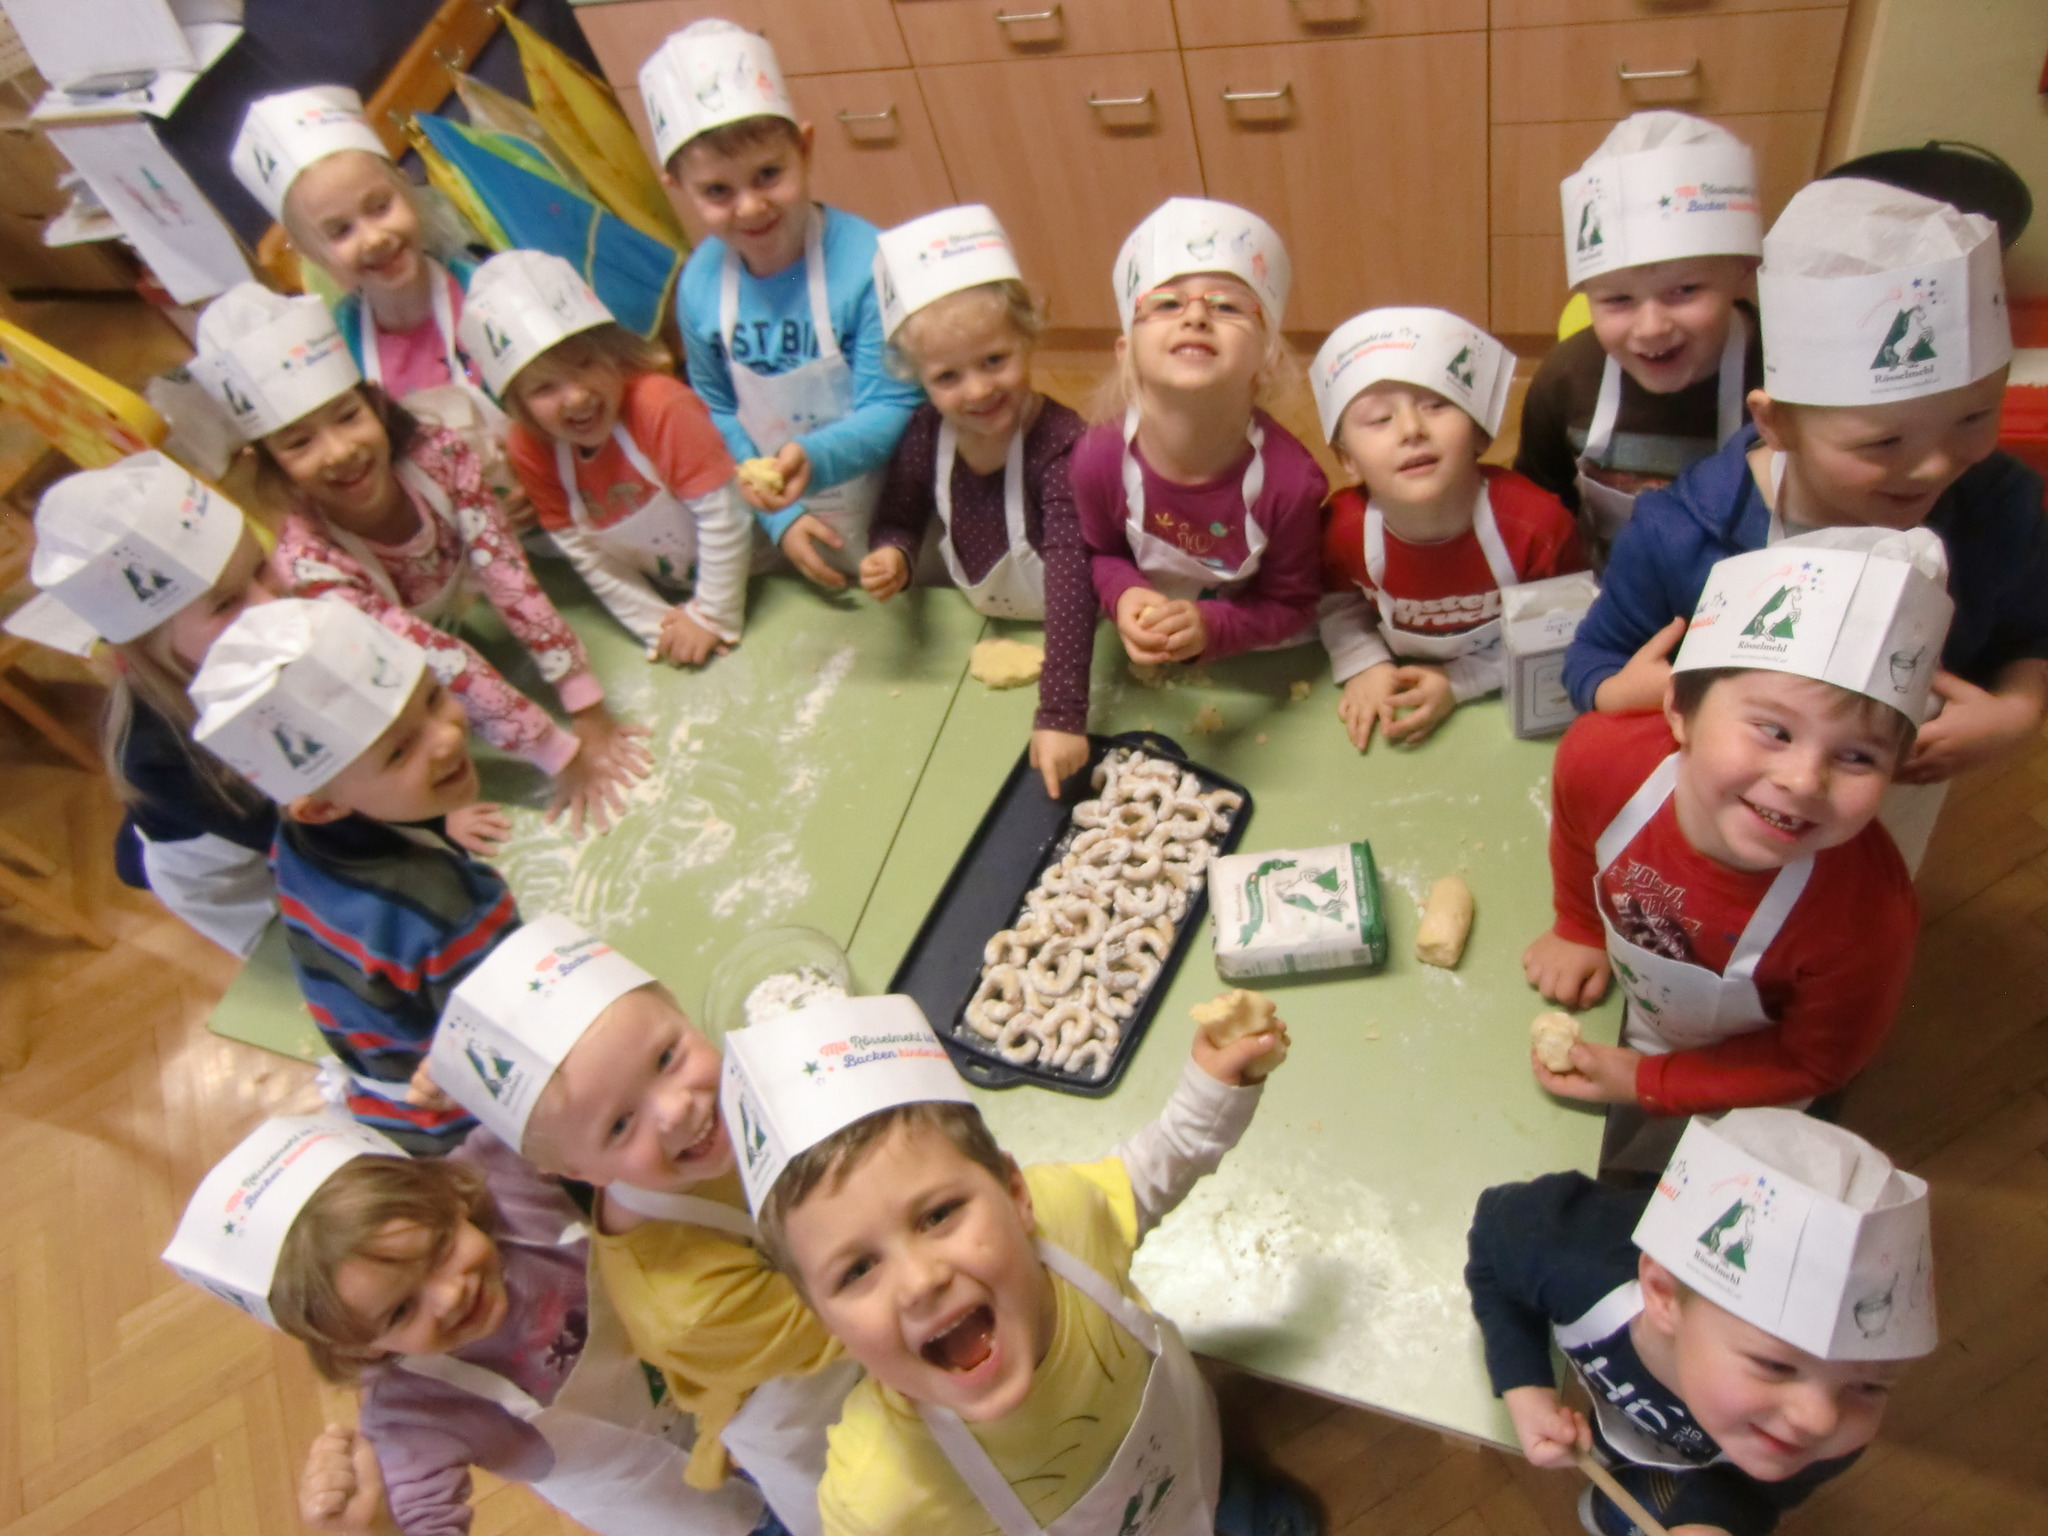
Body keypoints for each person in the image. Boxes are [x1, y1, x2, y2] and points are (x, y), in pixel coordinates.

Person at [1563, 177, 2048, 869]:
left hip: (1888, 810)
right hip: (1720, 817)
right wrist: (1627, 692)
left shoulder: (1999, 507)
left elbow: (2032, 631)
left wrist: (2018, 713)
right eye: (1884, 442)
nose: (1937, 464)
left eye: (1974, 419)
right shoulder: (1683, 535)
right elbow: (1591, 662)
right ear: (1777, 424)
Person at [721, 992, 1310, 1536]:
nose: (920, 1282)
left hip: (1183, 1455)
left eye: (938, 1215)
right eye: (856, 1271)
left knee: (1211, 1493)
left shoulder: (1064, 1220)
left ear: (1015, 1192)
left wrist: (1210, 1096)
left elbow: (1150, 1173)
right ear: (825, 1319)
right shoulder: (875, 1496)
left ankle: (1231, 1503)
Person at [1525, 529, 1948, 1168]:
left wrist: (1646, 1081)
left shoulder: (1866, 919)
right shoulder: (1602, 761)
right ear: (1680, 709)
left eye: (1858, 756)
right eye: (1774, 730)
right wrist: (1579, 926)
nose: (1804, 781)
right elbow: (1578, 839)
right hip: (1631, 1008)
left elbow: (1812, 1061)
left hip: (1752, 1077)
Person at [425, 917, 856, 1536]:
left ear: (678, 1007)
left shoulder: (720, 1114)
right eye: (620, 1126)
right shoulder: (685, 1303)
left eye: (667, 1057)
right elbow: (858, 1318)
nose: (677, 1108)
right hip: (834, 1412)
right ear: (574, 1172)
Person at [162, 1111, 772, 1536]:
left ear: (449, 1198)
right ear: (359, 1346)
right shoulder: (411, 1415)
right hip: (689, 1515)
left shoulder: (502, 1178)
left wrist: (466, 1066)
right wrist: (374, 1530)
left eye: (440, 1249)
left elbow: (561, 1102)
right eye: (401, 1311)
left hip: (753, 1389)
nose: (449, 1296)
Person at [193, 282, 650, 835]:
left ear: (375, 403)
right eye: (298, 443)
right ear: (267, 463)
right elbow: (442, 660)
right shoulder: (311, 565)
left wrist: (585, 703)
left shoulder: (441, 454)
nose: (339, 451)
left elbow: (507, 577)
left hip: (454, 615)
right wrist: (556, 754)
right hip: (396, 680)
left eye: (347, 416)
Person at [1466, 1108, 1937, 1536]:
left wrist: (1711, 1522)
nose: (1820, 1419)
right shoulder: (1569, 1256)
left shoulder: (1824, 1432)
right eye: (1775, 1365)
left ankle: (1644, 1477)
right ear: (1663, 1295)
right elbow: (1493, 1244)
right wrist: (1526, 1386)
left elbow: (1757, 1488)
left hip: (1686, 1442)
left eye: (1870, 1385)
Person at [188, 600, 517, 1153]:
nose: (446, 736)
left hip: (385, 1089)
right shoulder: (451, 908)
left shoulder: (299, 844)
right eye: (399, 751)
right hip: (466, 1121)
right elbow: (520, 1031)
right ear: (321, 806)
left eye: (431, 697)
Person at [644, 20, 923, 587]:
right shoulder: (698, 285)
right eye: (717, 191)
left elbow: (896, 404)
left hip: (900, 510)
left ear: (805, 148)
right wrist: (781, 519)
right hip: (783, 512)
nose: (750, 207)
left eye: (768, 174)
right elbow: (717, 410)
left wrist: (812, 458)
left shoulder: (867, 263)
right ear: (677, 186)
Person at [5, 455, 287, 955]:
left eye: (261, 569)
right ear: (148, 644)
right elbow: (298, 843)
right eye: (226, 603)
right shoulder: (158, 753)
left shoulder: (270, 632)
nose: (269, 604)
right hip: (226, 868)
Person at [860, 205, 1093, 795]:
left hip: (1077, 638)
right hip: (978, 627)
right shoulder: (926, 432)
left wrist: (1061, 714)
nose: (979, 389)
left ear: (1028, 338)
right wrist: (892, 552)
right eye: (948, 377)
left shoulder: (1060, 447)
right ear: (917, 377)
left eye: (994, 360)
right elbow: (900, 512)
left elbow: (1073, 575)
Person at [230, 86, 521, 515]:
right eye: (340, 231)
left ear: (407, 188)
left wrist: (536, 471)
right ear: (311, 254)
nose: (373, 238)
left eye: (380, 207)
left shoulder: (495, 295)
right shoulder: (334, 351)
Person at [1312, 307, 1586, 749]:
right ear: (1347, 459)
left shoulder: (1537, 526)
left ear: (1480, 433)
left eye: (1437, 405)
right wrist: (1364, 662)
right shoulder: (1343, 529)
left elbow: (1563, 632)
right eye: (1380, 419)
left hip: (1504, 693)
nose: (1411, 429)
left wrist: (1459, 681)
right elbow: (1337, 602)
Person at [464, 250, 752, 667]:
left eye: (585, 365)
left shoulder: (660, 406)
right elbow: (585, 553)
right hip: (681, 596)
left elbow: (725, 513)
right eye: (545, 388)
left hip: (759, 565)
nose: (576, 396)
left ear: (613, 353)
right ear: (519, 404)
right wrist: (659, 626)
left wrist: (711, 614)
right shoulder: (530, 448)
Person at [1073, 198, 1326, 669]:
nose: (1195, 317)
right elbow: (1098, 553)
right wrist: (1123, 592)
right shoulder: (1097, 458)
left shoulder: (1290, 485)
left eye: (1226, 305)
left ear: (1268, 357)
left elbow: (1291, 605)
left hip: (1249, 658)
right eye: (1166, 303)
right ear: (1127, 352)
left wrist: (1211, 628)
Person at [1513, 112, 1765, 557]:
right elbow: (1537, 508)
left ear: (1743, 271)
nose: (1651, 328)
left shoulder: (1780, 371)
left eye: (1685, 290)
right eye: (1617, 299)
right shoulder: (1565, 378)